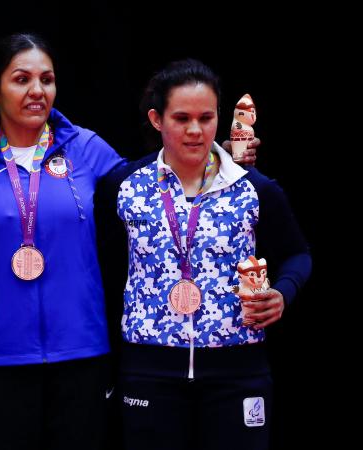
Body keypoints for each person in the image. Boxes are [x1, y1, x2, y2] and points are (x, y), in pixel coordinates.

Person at [108, 59, 311, 450]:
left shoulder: (254, 188)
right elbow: (99, 262)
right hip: (149, 372)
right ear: (156, 119)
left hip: (238, 373)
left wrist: (283, 293)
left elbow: (298, 253)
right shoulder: (124, 185)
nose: (196, 130)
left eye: (206, 117)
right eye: (181, 118)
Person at [0, 33, 126, 450]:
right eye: (21, 79)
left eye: (47, 79)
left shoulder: (87, 148)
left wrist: (216, 159)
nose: (37, 91)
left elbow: (155, 187)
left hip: (80, 350)